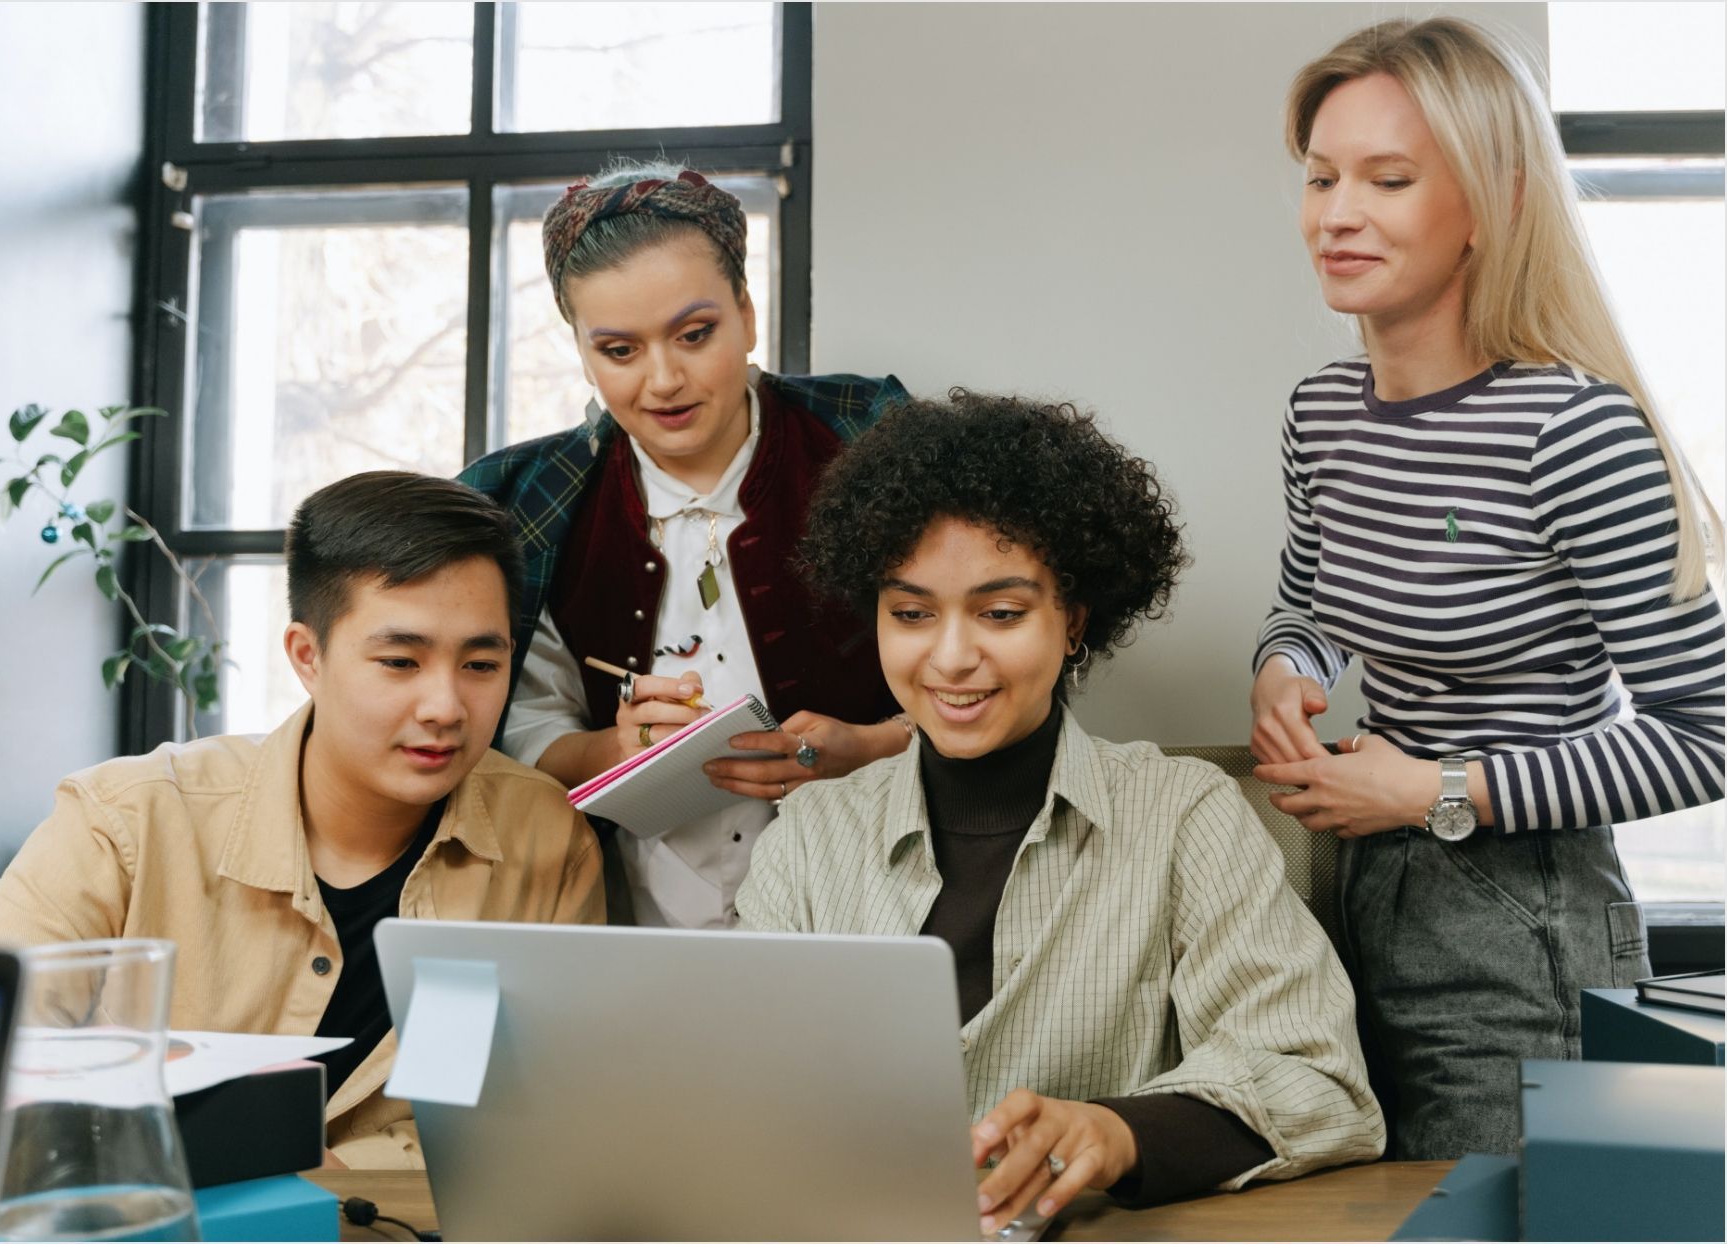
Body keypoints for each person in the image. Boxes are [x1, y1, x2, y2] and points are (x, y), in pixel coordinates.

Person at [1248, 17, 1726, 1161]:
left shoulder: (1575, 431)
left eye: (1390, 178)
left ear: (1492, 199)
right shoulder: (1325, 411)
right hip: (1367, 884)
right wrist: (1285, 669)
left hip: (1529, 911)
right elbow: (1307, 603)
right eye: (1321, 176)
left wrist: (1433, 790)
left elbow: (1708, 735)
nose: (1337, 212)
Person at [736, 392, 1384, 1232]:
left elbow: (1321, 1085)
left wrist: (1113, 1133)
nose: (953, 656)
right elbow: (742, 1092)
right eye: (911, 614)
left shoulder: (1183, 816)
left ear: (1073, 620)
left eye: (1001, 613)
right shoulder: (813, 838)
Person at [0, 472, 604, 1168]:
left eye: (482, 663)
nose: (446, 706)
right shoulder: (128, 820)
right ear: (308, 656)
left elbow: (543, 1121)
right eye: (400, 661)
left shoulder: (544, 839)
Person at [460, 161, 912, 930]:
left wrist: (868, 751)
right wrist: (610, 748)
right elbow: (521, 727)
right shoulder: (526, 499)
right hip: (630, 921)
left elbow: (995, 663)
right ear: (581, 348)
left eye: (694, 334)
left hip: (878, 903)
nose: (663, 379)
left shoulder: (871, 441)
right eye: (619, 350)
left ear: (746, 312)